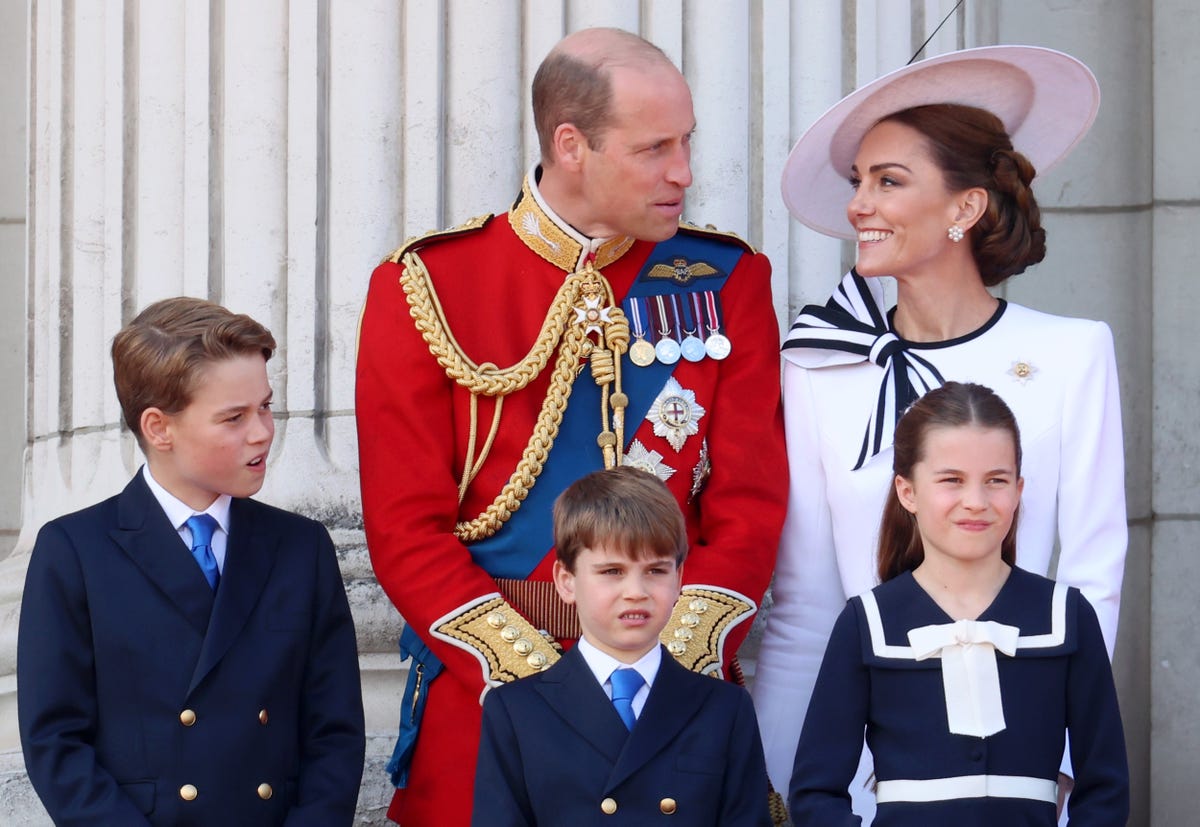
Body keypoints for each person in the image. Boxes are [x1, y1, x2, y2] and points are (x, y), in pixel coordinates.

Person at [355, 26, 786, 825]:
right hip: (490, 696)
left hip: (671, 691)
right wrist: (531, 677)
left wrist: (673, 648)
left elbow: (751, 504)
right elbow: (403, 526)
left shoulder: (727, 279)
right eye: (655, 147)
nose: (684, 171)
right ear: (571, 145)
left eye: (686, 141)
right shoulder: (429, 284)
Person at [752, 46, 1127, 820]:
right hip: (867, 783)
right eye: (859, 181)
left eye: (888, 180)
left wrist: (1055, 770)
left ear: (964, 208)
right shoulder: (822, 363)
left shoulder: (1071, 352)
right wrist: (787, 784)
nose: (859, 203)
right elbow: (806, 605)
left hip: (1021, 775)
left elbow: (1094, 578)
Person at [18, 298, 366, 825]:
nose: (262, 432)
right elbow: (56, 741)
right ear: (159, 428)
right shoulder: (75, 550)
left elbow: (334, 732)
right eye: (234, 417)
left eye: (265, 406)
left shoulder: (302, 547)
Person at [788, 381, 1129, 826]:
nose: (976, 502)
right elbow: (815, 793)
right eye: (952, 480)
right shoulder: (867, 622)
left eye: (996, 481)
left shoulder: (1066, 616)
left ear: (1019, 488)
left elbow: (1106, 787)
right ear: (907, 491)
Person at [472, 466, 771, 825]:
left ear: (679, 580)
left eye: (656, 571)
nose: (636, 592)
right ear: (566, 582)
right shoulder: (516, 710)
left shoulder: (725, 709)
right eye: (612, 571)